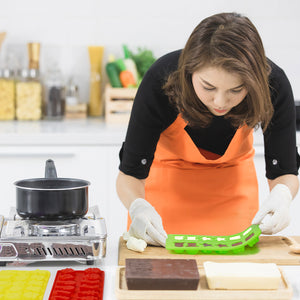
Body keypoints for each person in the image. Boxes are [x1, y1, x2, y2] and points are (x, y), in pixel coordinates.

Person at [116, 12, 300, 247]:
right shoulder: (160, 80)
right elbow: (128, 175)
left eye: (236, 90)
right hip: (163, 211)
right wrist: (138, 206)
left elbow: (285, 172)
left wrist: (282, 196)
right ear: (190, 70)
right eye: (208, 87)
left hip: (234, 206)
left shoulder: (273, 84)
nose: (220, 102)